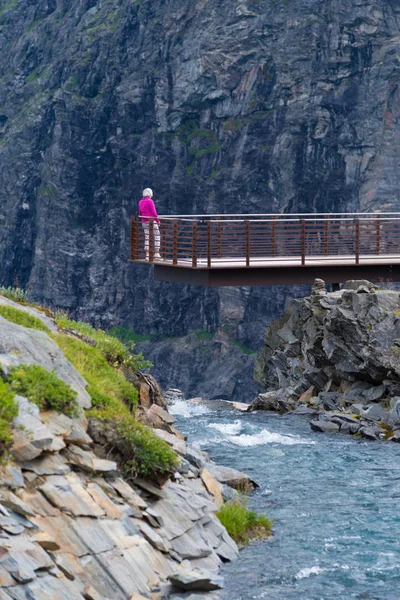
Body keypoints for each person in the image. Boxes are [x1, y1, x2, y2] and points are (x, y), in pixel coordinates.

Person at [138, 188, 161, 261]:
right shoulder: (150, 201)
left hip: (144, 221)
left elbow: (140, 213)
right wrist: (157, 221)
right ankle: (156, 253)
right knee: (157, 235)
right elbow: (154, 213)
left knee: (147, 237)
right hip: (151, 221)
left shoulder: (140, 202)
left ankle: (147, 255)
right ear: (149, 194)